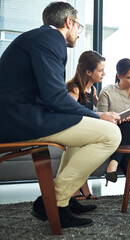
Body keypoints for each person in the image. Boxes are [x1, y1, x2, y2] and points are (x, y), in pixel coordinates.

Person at [0, 2, 121, 228]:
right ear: (69, 22)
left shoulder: (37, 38)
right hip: (22, 121)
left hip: (20, 116)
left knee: (85, 132)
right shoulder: (51, 40)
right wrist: (99, 116)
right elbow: (55, 96)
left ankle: (64, 201)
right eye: (78, 27)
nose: (77, 33)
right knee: (111, 135)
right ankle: (53, 200)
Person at [97, 58, 130, 200]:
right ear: (119, 76)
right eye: (129, 77)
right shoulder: (107, 91)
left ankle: (113, 165)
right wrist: (119, 120)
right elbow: (101, 118)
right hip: (110, 131)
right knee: (124, 128)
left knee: (128, 127)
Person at [66, 50, 106, 200]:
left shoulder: (93, 89)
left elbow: (98, 106)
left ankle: (84, 187)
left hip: (86, 130)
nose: (104, 74)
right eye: (100, 70)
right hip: (74, 129)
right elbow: (70, 112)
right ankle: (77, 188)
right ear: (88, 71)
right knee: (82, 147)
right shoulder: (75, 88)